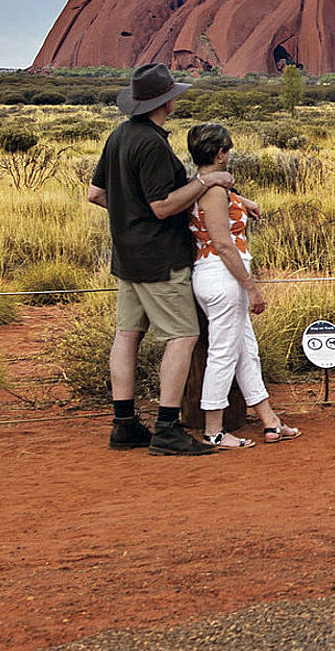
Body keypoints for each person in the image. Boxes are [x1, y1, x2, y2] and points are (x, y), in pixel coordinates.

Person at [86, 63, 235, 456]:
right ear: (165, 102)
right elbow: (163, 206)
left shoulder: (119, 135)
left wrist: (128, 220)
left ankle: (124, 425)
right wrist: (205, 181)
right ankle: (167, 428)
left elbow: (96, 194)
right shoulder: (151, 143)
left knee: (127, 334)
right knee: (184, 335)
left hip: (127, 257)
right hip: (159, 259)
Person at [186, 123, 301, 449]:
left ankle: (270, 421)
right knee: (222, 354)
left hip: (213, 277)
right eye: (228, 150)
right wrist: (251, 287)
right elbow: (223, 245)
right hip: (224, 278)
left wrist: (241, 199)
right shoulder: (214, 191)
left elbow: (212, 199)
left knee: (246, 351)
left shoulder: (200, 186)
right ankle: (213, 430)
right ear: (221, 153)